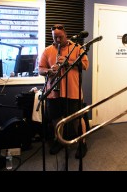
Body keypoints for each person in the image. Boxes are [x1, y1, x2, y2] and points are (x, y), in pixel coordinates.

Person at [38, 24, 89, 159]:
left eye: (60, 37)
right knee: (56, 118)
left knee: (77, 119)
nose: (58, 40)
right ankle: (59, 140)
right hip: (54, 92)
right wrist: (49, 71)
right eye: (55, 38)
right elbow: (40, 69)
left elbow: (85, 65)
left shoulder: (77, 48)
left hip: (72, 90)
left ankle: (82, 143)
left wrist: (68, 62)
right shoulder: (47, 50)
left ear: (66, 35)